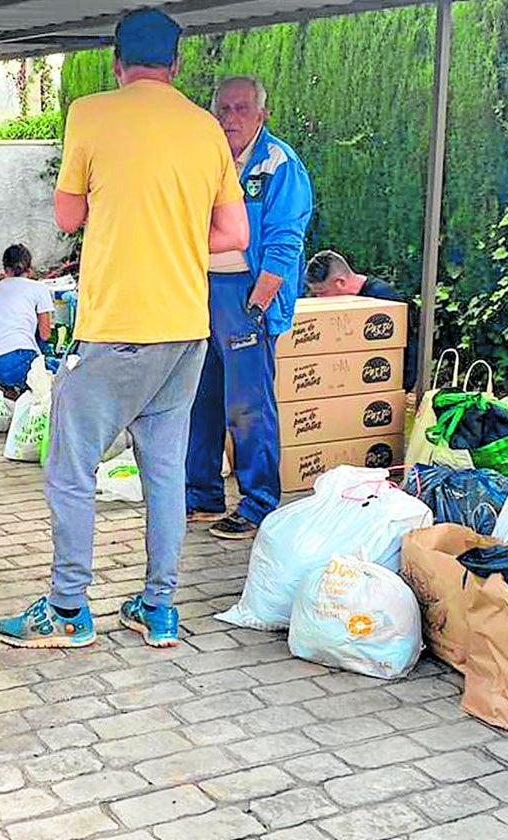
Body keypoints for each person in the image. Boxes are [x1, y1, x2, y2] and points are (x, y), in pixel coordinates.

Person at [0, 8, 249, 649]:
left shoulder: (91, 112)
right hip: (186, 332)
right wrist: (176, 237)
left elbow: (68, 213)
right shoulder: (205, 130)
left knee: (70, 468)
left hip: (116, 328)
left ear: (116, 61)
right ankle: (159, 607)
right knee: (165, 473)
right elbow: (234, 238)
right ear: (177, 64)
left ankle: (69, 608)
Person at [185, 75, 314, 540]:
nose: (230, 118)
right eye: (223, 109)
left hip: (247, 295)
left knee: (248, 407)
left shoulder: (280, 165)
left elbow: (284, 244)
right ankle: (200, 496)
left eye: (241, 109)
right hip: (203, 291)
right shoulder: (207, 158)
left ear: (262, 114)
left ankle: (259, 502)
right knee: (201, 399)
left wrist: (257, 308)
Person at [306, 248, 418, 390]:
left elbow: (407, 347)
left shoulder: (383, 298)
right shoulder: (339, 301)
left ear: (340, 282)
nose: (319, 299)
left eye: (322, 293)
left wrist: (400, 389)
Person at [0, 244, 54, 393]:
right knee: (62, 369)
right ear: (29, 270)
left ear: (5, 269)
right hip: (22, 358)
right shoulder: (39, 288)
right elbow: (45, 334)